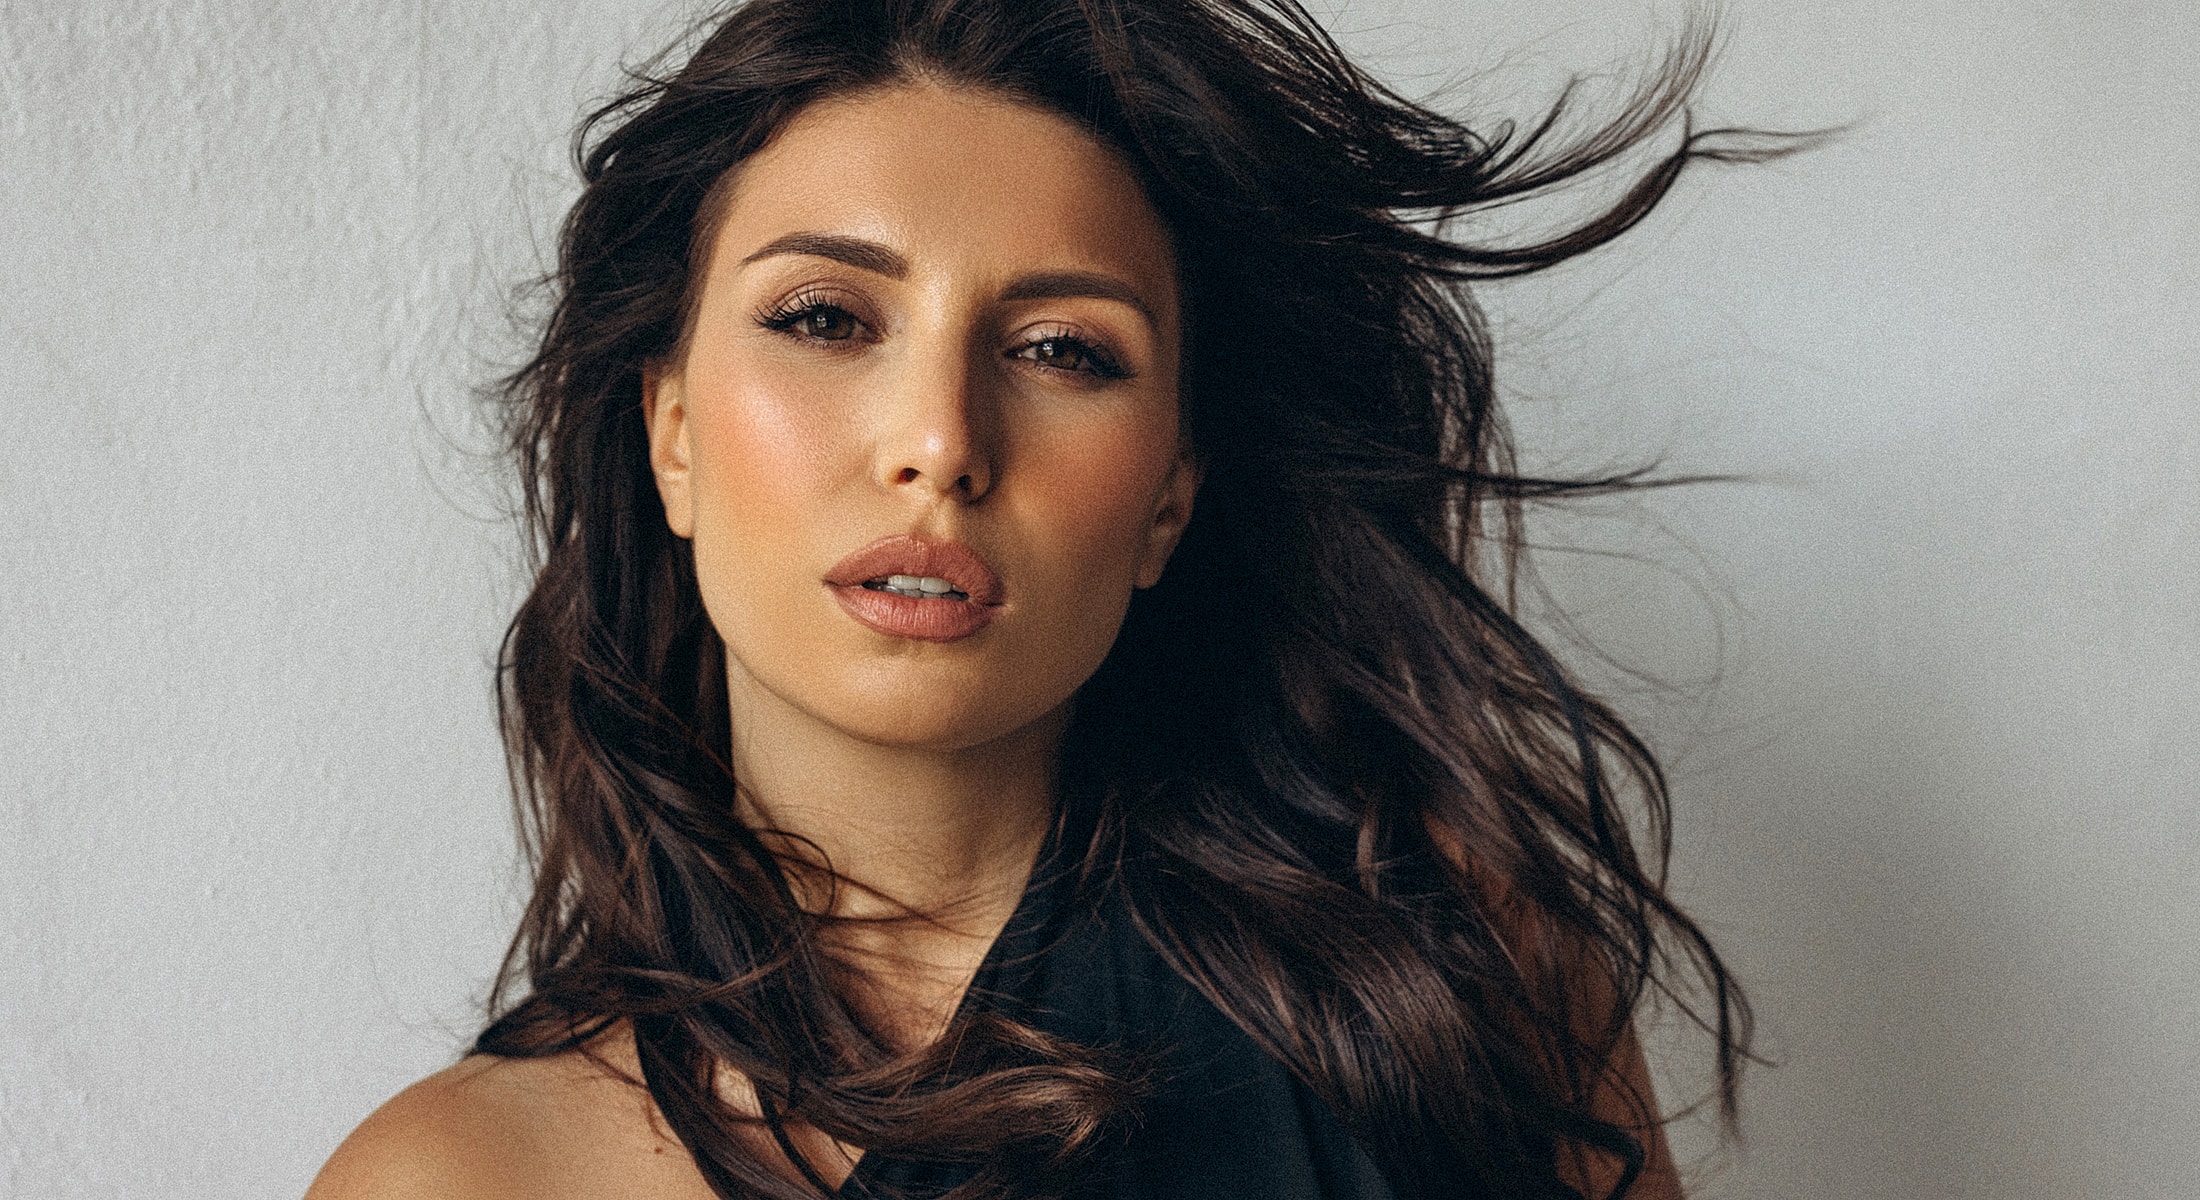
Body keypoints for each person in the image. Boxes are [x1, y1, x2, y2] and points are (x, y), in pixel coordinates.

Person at [308, 1, 1801, 1196]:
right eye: (827, 318)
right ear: (672, 432)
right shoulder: (454, 1178)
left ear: (1171, 495)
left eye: (1064, 351)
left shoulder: (1448, 996)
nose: (942, 443)